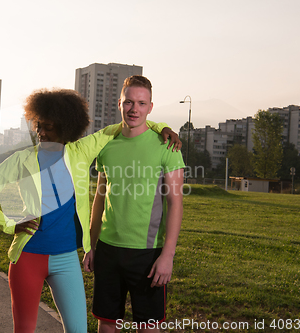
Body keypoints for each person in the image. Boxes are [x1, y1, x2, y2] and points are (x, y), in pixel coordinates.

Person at [0, 88, 181, 333]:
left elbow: (123, 125)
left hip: (67, 259)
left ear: (66, 127)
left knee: (79, 330)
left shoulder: (80, 153)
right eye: (38, 125)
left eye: (48, 127)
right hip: (27, 256)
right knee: (24, 330)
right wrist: (9, 221)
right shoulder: (20, 160)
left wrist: (161, 127)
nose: (41, 132)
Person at [83, 75, 185, 333]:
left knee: (148, 326)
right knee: (107, 323)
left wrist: (168, 255)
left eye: (141, 103)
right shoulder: (106, 145)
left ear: (150, 107)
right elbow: (100, 196)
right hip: (107, 249)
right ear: (119, 103)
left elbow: (175, 203)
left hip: (148, 252)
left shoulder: (167, 146)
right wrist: (91, 245)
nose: (134, 109)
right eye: (129, 102)